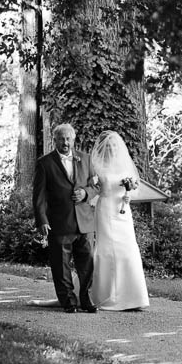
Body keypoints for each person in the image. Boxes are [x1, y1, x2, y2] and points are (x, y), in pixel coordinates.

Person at [33, 123, 99, 313]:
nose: (65, 142)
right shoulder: (44, 163)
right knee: (61, 266)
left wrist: (85, 194)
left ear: (73, 139)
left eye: (68, 138)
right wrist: (42, 220)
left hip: (85, 222)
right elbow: (39, 196)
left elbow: (97, 185)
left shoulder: (86, 159)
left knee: (87, 264)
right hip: (59, 222)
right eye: (61, 138)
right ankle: (69, 302)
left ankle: (86, 300)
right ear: (55, 140)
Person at [88, 130, 150, 311]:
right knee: (106, 250)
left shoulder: (125, 167)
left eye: (115, 146)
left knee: (128, 248)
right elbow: (94, 189)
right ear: (103, 149)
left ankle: (133, 297)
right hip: (106, 210)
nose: (112, 149)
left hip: (123, 212)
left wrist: (128, 195)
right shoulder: (97, 167)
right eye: (109, 146)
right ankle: (105, 295)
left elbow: (132, 188)